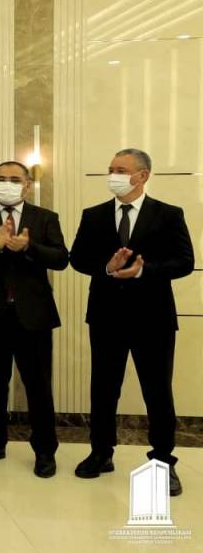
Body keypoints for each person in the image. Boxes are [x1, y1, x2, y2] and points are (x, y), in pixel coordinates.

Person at [69, 148, 194, 496]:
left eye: (121, 170)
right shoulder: (93, 215)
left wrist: (143, 271)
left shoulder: (168, 214)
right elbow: (77, 259)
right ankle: (101, 452)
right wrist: (106, 267)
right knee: (103, 389)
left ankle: (163, 461)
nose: (113, 175)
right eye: (111, 169)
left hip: (153, 318)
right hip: (106, 316)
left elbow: (184, 262)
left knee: (157, 392)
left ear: (143, 175)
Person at [0, 161, 68, 479]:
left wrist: (29, 247)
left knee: (38, 385)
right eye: (0, 178)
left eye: (14, 179)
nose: (6, 183)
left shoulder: (45, 218)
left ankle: (45, 451)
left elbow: (61, 258)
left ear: (27, 185)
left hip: (33, 316)